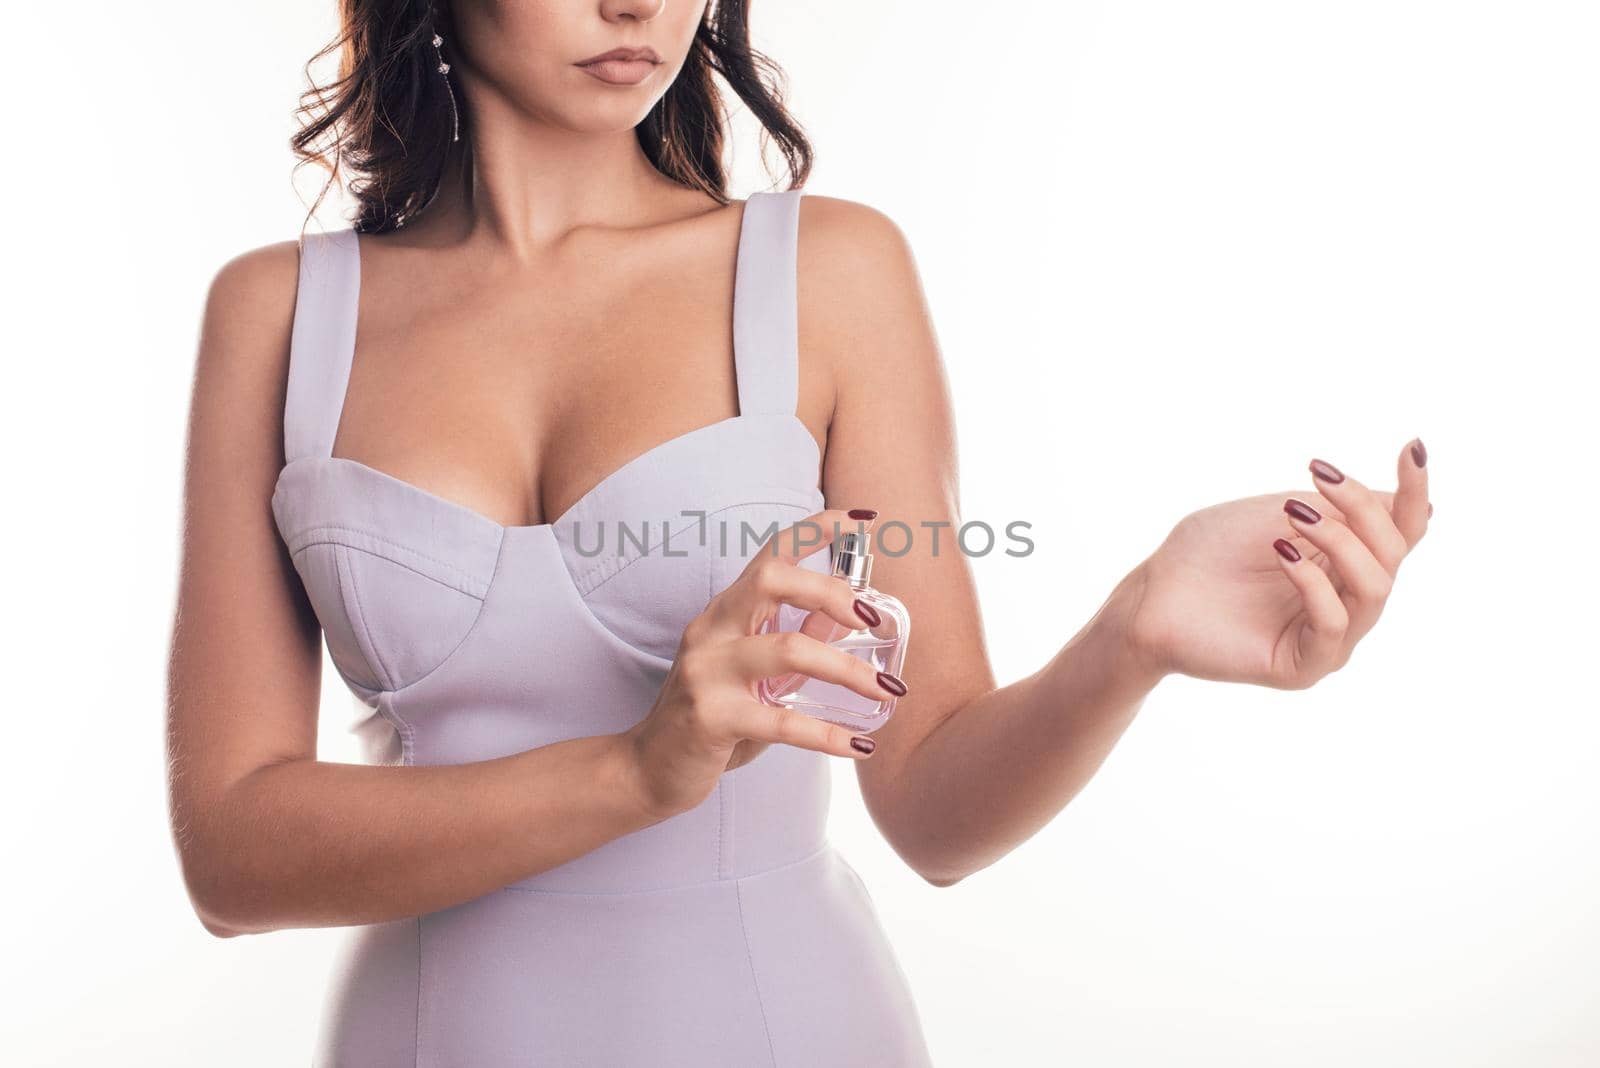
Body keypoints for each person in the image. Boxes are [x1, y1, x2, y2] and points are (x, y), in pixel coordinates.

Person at [164, 1, 1434, 1064]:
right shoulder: (281, 316)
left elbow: (932, 806)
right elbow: (231, 855)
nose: (638, 4)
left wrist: (1131, 637)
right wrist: (633, 771)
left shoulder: (825, 273)